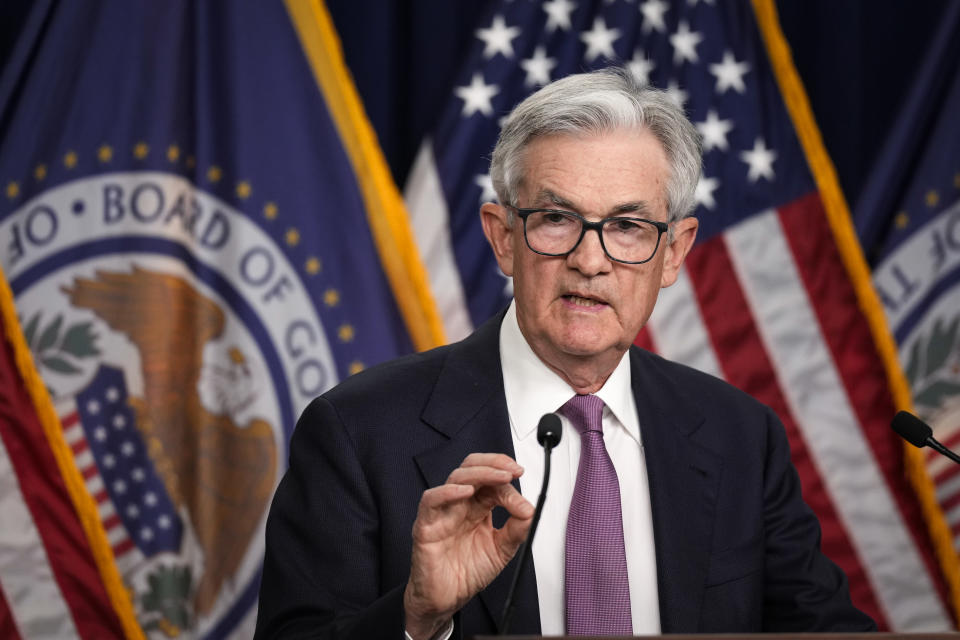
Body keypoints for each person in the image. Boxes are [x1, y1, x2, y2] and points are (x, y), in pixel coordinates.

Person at [254, 67, 875, 639]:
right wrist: (417, 619)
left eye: (628, 226)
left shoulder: (740, 435)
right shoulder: (358, 432)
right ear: (503, 238)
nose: (590, 259)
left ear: (674, 254)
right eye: (556, 218)